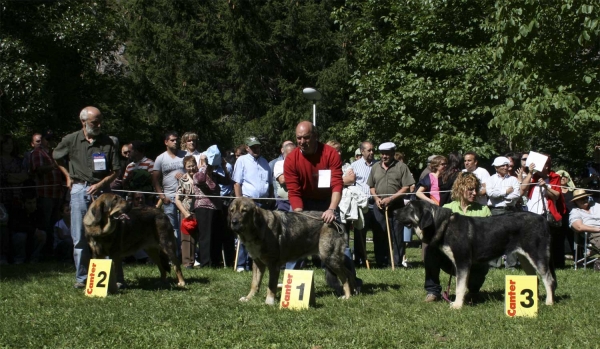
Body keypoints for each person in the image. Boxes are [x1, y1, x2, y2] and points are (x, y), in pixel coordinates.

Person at [284, 121, 361, 287]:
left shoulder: (330, 153)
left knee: (340, 242)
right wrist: (299, 217)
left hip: (328, 202)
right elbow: (294, 191)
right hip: (303, 204)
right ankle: (290, 286)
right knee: (295, 241)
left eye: (306, 137)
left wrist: (332, 209)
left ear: (315, 136)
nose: (302, 141)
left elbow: (336, 184)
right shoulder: (291, 160)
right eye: (299, 138)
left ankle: (351, 281)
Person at [53, 106, 120, 289]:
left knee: (107, 234)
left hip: (102, 192)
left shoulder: (108, 142)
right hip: (79, 190)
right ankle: (82, 278)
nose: (98, 125)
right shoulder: (71, 140)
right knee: (79, 236)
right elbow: (56, 157)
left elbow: (116, 170)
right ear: (83, 122)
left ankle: (111, 278)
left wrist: (99, 185)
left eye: (100, 121)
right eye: (94, 122)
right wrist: (67, 176)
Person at [424, 172, 491, 302]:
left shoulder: (484, 210)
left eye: (476, 189)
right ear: (460, 189)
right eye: (470, 189)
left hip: (474, 256)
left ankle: (473, 291)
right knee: (430, 251)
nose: (474, 193)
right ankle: (433, 291)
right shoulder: (447, 208)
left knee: (484, 259)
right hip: (449, 257)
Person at [367, 142, 415, 268]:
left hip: (397, 206)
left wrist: (391, 198)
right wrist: (376, 198)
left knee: (397, 235)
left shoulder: (401, 167)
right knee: (379, 235)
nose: (384, 156)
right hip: (379, 206)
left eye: (387, 154)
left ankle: (397, 262)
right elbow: (371, 186)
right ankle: (381, 262)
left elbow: (406, 187)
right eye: (382, 154)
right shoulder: (375, 167)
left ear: (393, 153)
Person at [232, 136, 273, 271]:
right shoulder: (242, 161)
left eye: (258, 146)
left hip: (263, 203)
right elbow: (237, 183)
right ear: (247, 148)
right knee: (245, 232)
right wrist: (239, 202)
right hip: (247, 203)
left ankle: (259, 262)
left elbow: (270, 183)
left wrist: (270, 198)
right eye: (253, 147)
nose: (256, 149)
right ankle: (241, 264)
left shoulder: (265, 162)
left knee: (261, 233)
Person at [524, 154, 566, 268]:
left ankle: (549, 263)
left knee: (546, 240)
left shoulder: (554, 177)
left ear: (547, 165)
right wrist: (529, 173)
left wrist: (546, 187)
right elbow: (522, 189)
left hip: (545, 212)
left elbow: (556, 196)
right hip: (531, 212)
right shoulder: (533, 176)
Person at [152, 131, 187, 257]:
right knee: (172, 228)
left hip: (184, 196)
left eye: (176, 140)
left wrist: (185, 176)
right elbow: (155, 180)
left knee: (186, 227)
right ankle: (174, 255)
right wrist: (162, 196)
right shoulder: (160, 158)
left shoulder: (185, 155)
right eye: (172, 140)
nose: (175, 142)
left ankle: (187, 256)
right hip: (169, 197)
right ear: (166, 142)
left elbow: (194, 171)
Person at [30, 132, 64, 253]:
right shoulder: (37, 152)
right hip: (45, 194)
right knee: (45, 223)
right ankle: (44, 251)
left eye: (52, 139)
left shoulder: (52, 154)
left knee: (55, 223)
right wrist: (54, 165)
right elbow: (38, 170)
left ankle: (53, 250)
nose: (50, 142)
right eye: (47, 139)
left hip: (57, 193)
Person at [485, 156, 521, 268]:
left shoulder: (513, 179)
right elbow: (491, 193)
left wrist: (503, 197)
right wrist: (506, 191)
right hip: (496, 210)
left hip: (510, 210)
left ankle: (512, 265)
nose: (506, 167)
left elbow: (516, 194)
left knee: (512, 237)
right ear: (496, 167)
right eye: (503, 165)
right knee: (495, 237)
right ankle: (493, 264)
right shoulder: (491, 179)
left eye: (507, 165)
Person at [194, 145, 225, 268]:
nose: (212, 168)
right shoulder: (199, 174)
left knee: (216, 235)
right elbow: (200, 180)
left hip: (216, 208)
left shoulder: (215, 176)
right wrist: (204, 164)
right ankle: (205, 262)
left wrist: (224, 167)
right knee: (205, 236)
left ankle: (215, 261)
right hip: (203, 207)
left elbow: (228, 181)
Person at [349, 141, 378, 267]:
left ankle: (381, 259)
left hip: (377, 202)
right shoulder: (354, 166)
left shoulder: (378, 165)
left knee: (379, 232)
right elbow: (351, 184)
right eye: (369, 150)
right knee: (360, 232)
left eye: (372, 150)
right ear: (362, 151)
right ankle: (360, 260)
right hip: (361, 204)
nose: (371, 152)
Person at [174, 155, 199, 269]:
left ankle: (198, 260)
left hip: (199, 211)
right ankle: (187, 263)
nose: (191, 168)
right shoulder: (183, 180)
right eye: (188, 166)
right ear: (185, 167)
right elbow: (177, 199)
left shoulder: (201, 177)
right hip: (187, 212)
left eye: (193, 165)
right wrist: (185, 212)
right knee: (187, 238)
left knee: (197, 237)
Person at [8, 194, 47, 264]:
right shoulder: (17, 211)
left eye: (34, 202)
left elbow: (42, 225)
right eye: (29, 203)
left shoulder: (39, 211)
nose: (32, 205)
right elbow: (16, 226)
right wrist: (33, 230)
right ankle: (19, 259)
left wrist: (34, 230)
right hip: (19, 237)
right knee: (20, 236)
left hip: (32, 236)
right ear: (24, 203)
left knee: (43, 234)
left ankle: (34, 258)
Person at [569, 190, 600, 265]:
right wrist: (598, 229)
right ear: (575, 201)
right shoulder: (575, 212)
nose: (584, 200)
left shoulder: (596, 206)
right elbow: (579, 227)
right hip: (592, 234)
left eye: (585, 198)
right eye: (581, 199)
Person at [273, 142, 297, 212]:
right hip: (284, 202)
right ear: (284, 154)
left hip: (297, 200)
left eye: (294, 154)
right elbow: (282, 180)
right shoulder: (279, 164)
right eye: (289, 155)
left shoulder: (299, 163)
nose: (292, 157)